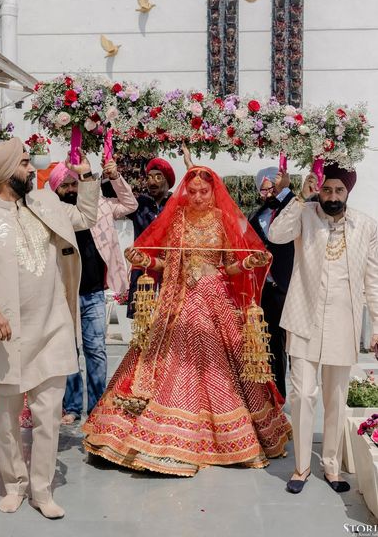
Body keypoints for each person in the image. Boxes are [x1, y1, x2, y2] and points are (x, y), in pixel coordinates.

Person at [83, 166, 292, 476]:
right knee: (164, 358)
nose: (196, 197)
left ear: (213, 192)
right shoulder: (177, 219)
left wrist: (249, 261)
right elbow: (167, 261)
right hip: (177, 298)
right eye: (191, 192)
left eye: (203, 192)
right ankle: (151, 434)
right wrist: (145, 261)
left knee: (223, 365)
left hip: (214, 299)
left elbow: (231, 266)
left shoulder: (223, 220)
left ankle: (225, 436)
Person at [0, 138, 98, 518]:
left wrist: (87, 179)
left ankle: (42, 490)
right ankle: (15, 485)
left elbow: (85, 218)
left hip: (51, 327)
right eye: (23, 163)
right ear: (4, 172)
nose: (30, 169)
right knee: (6, 420)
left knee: (48, 418)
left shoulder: (47, 204)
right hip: (6, 335)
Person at [268, 163, 378, 494]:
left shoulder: (366, 226)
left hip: (343, 321)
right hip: (304, 317)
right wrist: (301, 197)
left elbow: (373, 280)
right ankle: (301, 468)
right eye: (327, 190)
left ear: (348, 192)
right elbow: (276, 235)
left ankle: (331, 466)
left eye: (338, 191)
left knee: (336, 396)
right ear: (320, 189)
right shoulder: (305, 213)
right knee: (302, 395)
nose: (332, 197)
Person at [49, 158, 138, 424]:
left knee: (96, 349)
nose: (70, 188)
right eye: (64, 184)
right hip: (64, 292)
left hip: (94, 291)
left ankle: (98, 405)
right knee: (69, 349)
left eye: (72, 182)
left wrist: (115, 177)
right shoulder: (53, 212)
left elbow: (130, 205)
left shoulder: (99, 204)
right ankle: (72, 407)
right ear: (56, 188)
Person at [248, 167, 295, 398]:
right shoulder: (256, 216)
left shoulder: (293, 207)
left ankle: (297, 394)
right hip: (266, 288)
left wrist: (285, 190)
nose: (268, 194)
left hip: (289, 285)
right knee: (272, 344)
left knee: (294, 347)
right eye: (263, 190)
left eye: (272, 188)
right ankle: (277, 395)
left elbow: (297, 203)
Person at [126, 157, 176, 318]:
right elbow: (116, 196)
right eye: (149, 177)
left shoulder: (177, 204)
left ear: (167, 180)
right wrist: (112, 176)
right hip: (143, 268)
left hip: (169, 268)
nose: (152, 181)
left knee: (169, 317)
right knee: (141, 320)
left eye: (158, 177)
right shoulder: (138, 203)